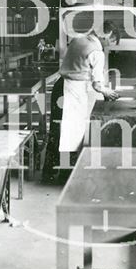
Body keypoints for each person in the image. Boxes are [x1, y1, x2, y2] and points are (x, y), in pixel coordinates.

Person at [42, 21, 120, 183]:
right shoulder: (97, 52)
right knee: (72, 133)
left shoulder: (78, 39)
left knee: (57, 130)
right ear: (108, 35)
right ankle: (65, 176)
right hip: (72, 92)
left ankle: (48, 174)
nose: (108, 46)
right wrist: (108, 91)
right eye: (111, 42)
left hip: (60, 88)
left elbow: (80, 67)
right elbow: (97, 85)